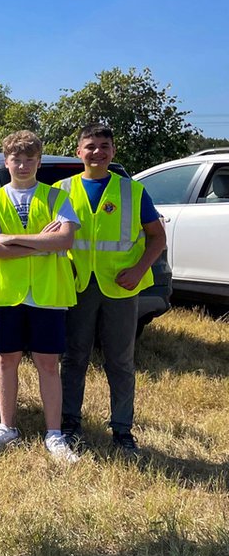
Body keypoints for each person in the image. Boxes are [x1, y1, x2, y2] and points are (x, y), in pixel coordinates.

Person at [0, 130, 80, 462]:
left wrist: (12, 239)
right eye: (16, 159)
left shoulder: (57, 198)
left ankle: (54, 434)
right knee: (7, 361)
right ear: (6, 162)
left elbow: (63, 242)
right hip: (6, 294)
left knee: (48, 364)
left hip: (47, 293)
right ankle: (7, 427)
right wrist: (36, 244)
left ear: (39, 161)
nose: (22, 165)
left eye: (29, 159)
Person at [59, 124, 166, 457]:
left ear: (113, 151)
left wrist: (139, 269)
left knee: (120, 362)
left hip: (120, 287)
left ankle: (122, 431)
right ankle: (69, 424)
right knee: (74, 358)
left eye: (104, 146)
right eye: (90, 146)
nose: (97, 152)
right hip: (77, 286)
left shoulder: (132, 191)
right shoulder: (61, 190)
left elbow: (157, 238)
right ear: (79, 152)